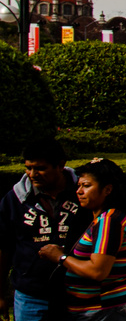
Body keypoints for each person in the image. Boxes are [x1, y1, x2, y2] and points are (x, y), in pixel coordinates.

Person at [1, 136, 88, 321]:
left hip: (78, 293)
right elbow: (3, 247)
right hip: (30, 295)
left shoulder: (83, 193)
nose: (32, 174)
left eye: (40, 168)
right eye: (28, 167)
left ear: (60, 165)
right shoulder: (14, 200)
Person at [46, 158, 126, 321]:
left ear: (107, 189)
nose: (79, 191)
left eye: (87, 186)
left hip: (102, 310)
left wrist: (60, 257)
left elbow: (97, 271)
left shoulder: (109, 222)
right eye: (79, 186)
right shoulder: (101, 218)